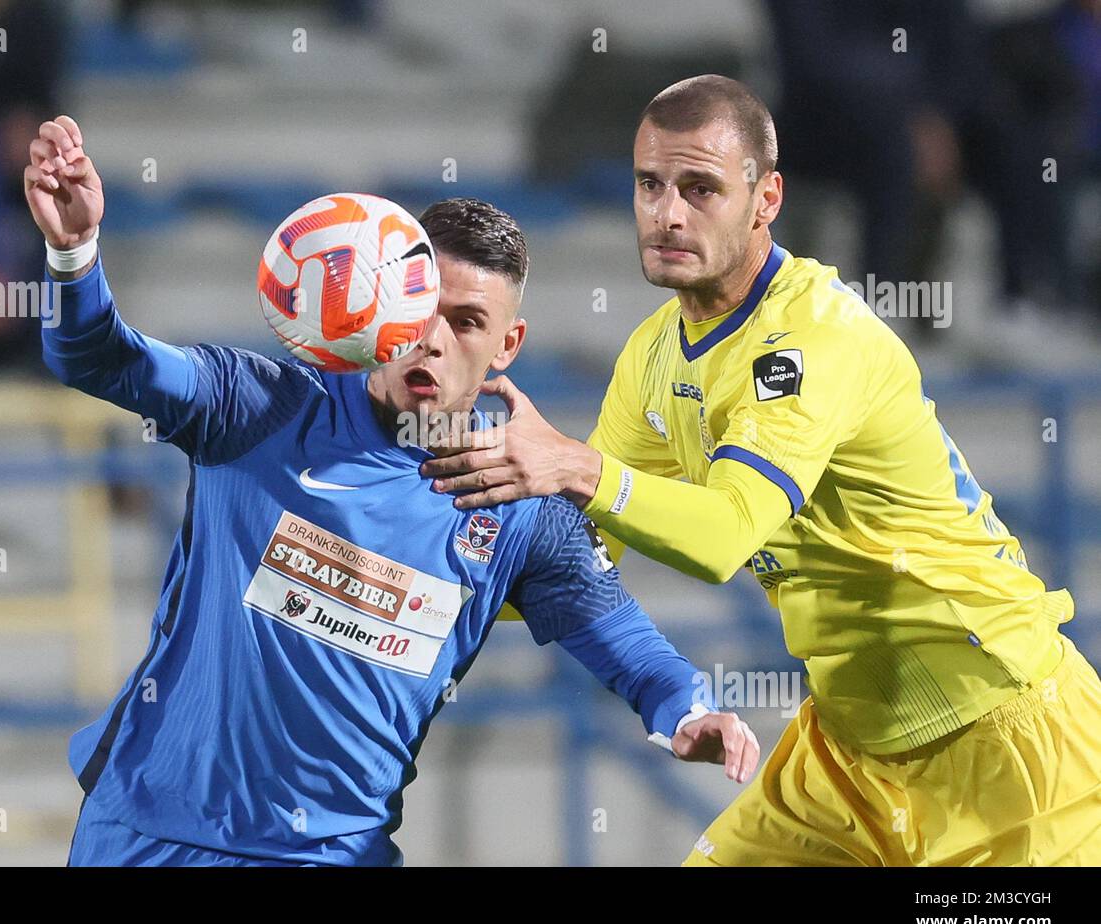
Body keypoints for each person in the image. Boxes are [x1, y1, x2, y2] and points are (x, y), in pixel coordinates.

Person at [25, 115, 760, 866]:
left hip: (332, 855)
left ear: (508, 345)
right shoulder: (261, 407)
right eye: (419, 307)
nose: (433, 339)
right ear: (376, 302)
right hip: (151, 835)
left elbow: (634, 651)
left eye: (468, 322)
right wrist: (74, 251)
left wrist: (688, 713)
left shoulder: (520, 507)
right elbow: (102, 359)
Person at [421, 75, 1101, 866]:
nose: (668, 213)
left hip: (1008, 747)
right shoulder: (652, 355)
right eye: (651, 185)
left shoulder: (812, 338)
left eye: (700, 188)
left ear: (766, 197)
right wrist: (408, 569)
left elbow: (725, 534)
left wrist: (575, 465)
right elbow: (578, 557)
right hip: (851, 760)